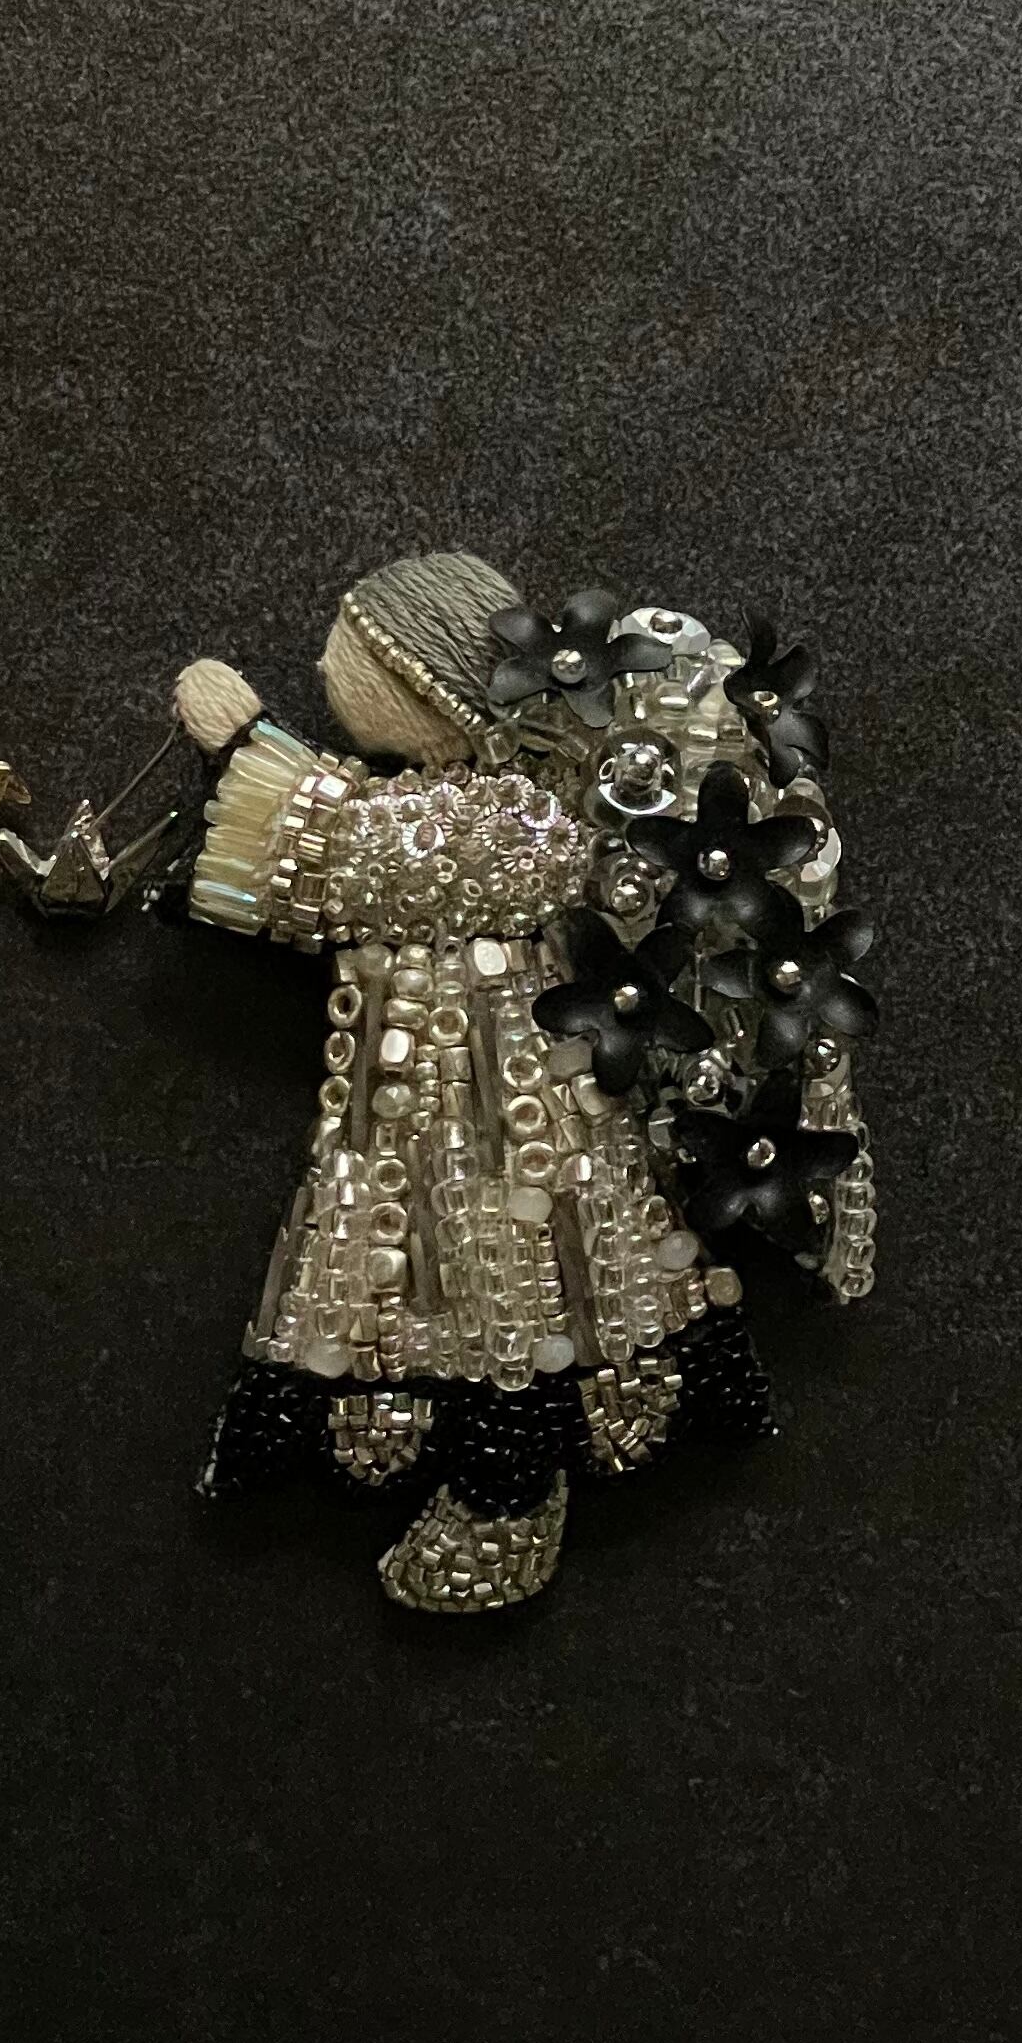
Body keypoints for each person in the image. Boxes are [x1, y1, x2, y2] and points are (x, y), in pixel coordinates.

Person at [167, 549, 878, 1613]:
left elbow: (335, 849)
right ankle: (493, 1489)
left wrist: (241, 741)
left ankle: (506, 1508)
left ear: (428, 687)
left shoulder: (509, 817)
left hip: (499, 1125)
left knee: (499, 1289)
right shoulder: (472, 808)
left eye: (351, 658)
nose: (324, 671)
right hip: (426, 1117)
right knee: (442, 1287)